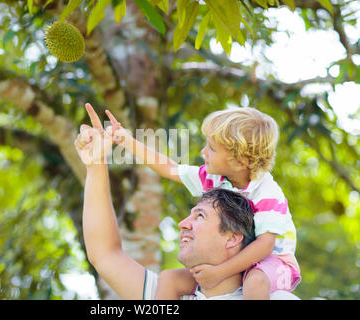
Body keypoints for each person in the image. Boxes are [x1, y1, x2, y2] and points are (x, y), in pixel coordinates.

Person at [74, 103, 299, 300]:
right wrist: (110, 152)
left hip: (274, 261)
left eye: (199, 215)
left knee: (256, 281)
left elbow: (265, 245)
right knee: (169, 278)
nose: (183, 223)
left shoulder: (268, 193)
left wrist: (220, 272)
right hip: (233, 270)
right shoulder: (215, 178)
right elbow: (170, 168)